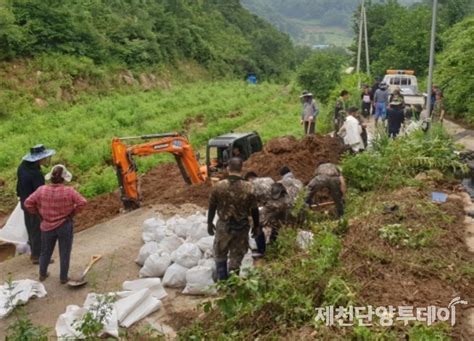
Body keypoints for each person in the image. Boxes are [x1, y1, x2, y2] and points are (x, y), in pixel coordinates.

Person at [24, 165, 87, 283]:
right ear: (63, 179)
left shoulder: (41, 190)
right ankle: (63, 277)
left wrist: (38, 214)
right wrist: (72, 213)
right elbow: (82, 202)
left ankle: (42, 274)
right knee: (65, 252)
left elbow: (28, 203)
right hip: (64, 225)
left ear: (51, 177)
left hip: (46, 225)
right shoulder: (69, 191)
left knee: (45, 251)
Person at [207, 158, 260, 280]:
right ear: (241, 169)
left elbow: (212, 207)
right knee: (237, 255)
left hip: (223, 226)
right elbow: (254, 210)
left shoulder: (218, 186)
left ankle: (222, 281)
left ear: (228, 168)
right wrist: (256, 226)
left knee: (220, 252)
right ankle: (233, 283)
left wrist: (209, 223)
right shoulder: (249, 187)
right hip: (241, 227)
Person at [16, 144, 56, 264]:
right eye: (44, 158)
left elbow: (19, 185)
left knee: (31, 227)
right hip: (34, 205)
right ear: (39, 159)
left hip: (24, 201)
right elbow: (40, 192)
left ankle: (34, 249)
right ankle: (37, 256)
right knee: (38, 229)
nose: (46, 160)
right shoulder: (36, 174)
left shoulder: (22, 167)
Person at [244, 171, 274, 257]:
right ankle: (273, 243)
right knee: (276, 225)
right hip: (280, 205)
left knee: (255, 223)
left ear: (249, 179)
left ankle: (261, 250)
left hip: (269, 207)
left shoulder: (252, 185)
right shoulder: (269, 179)